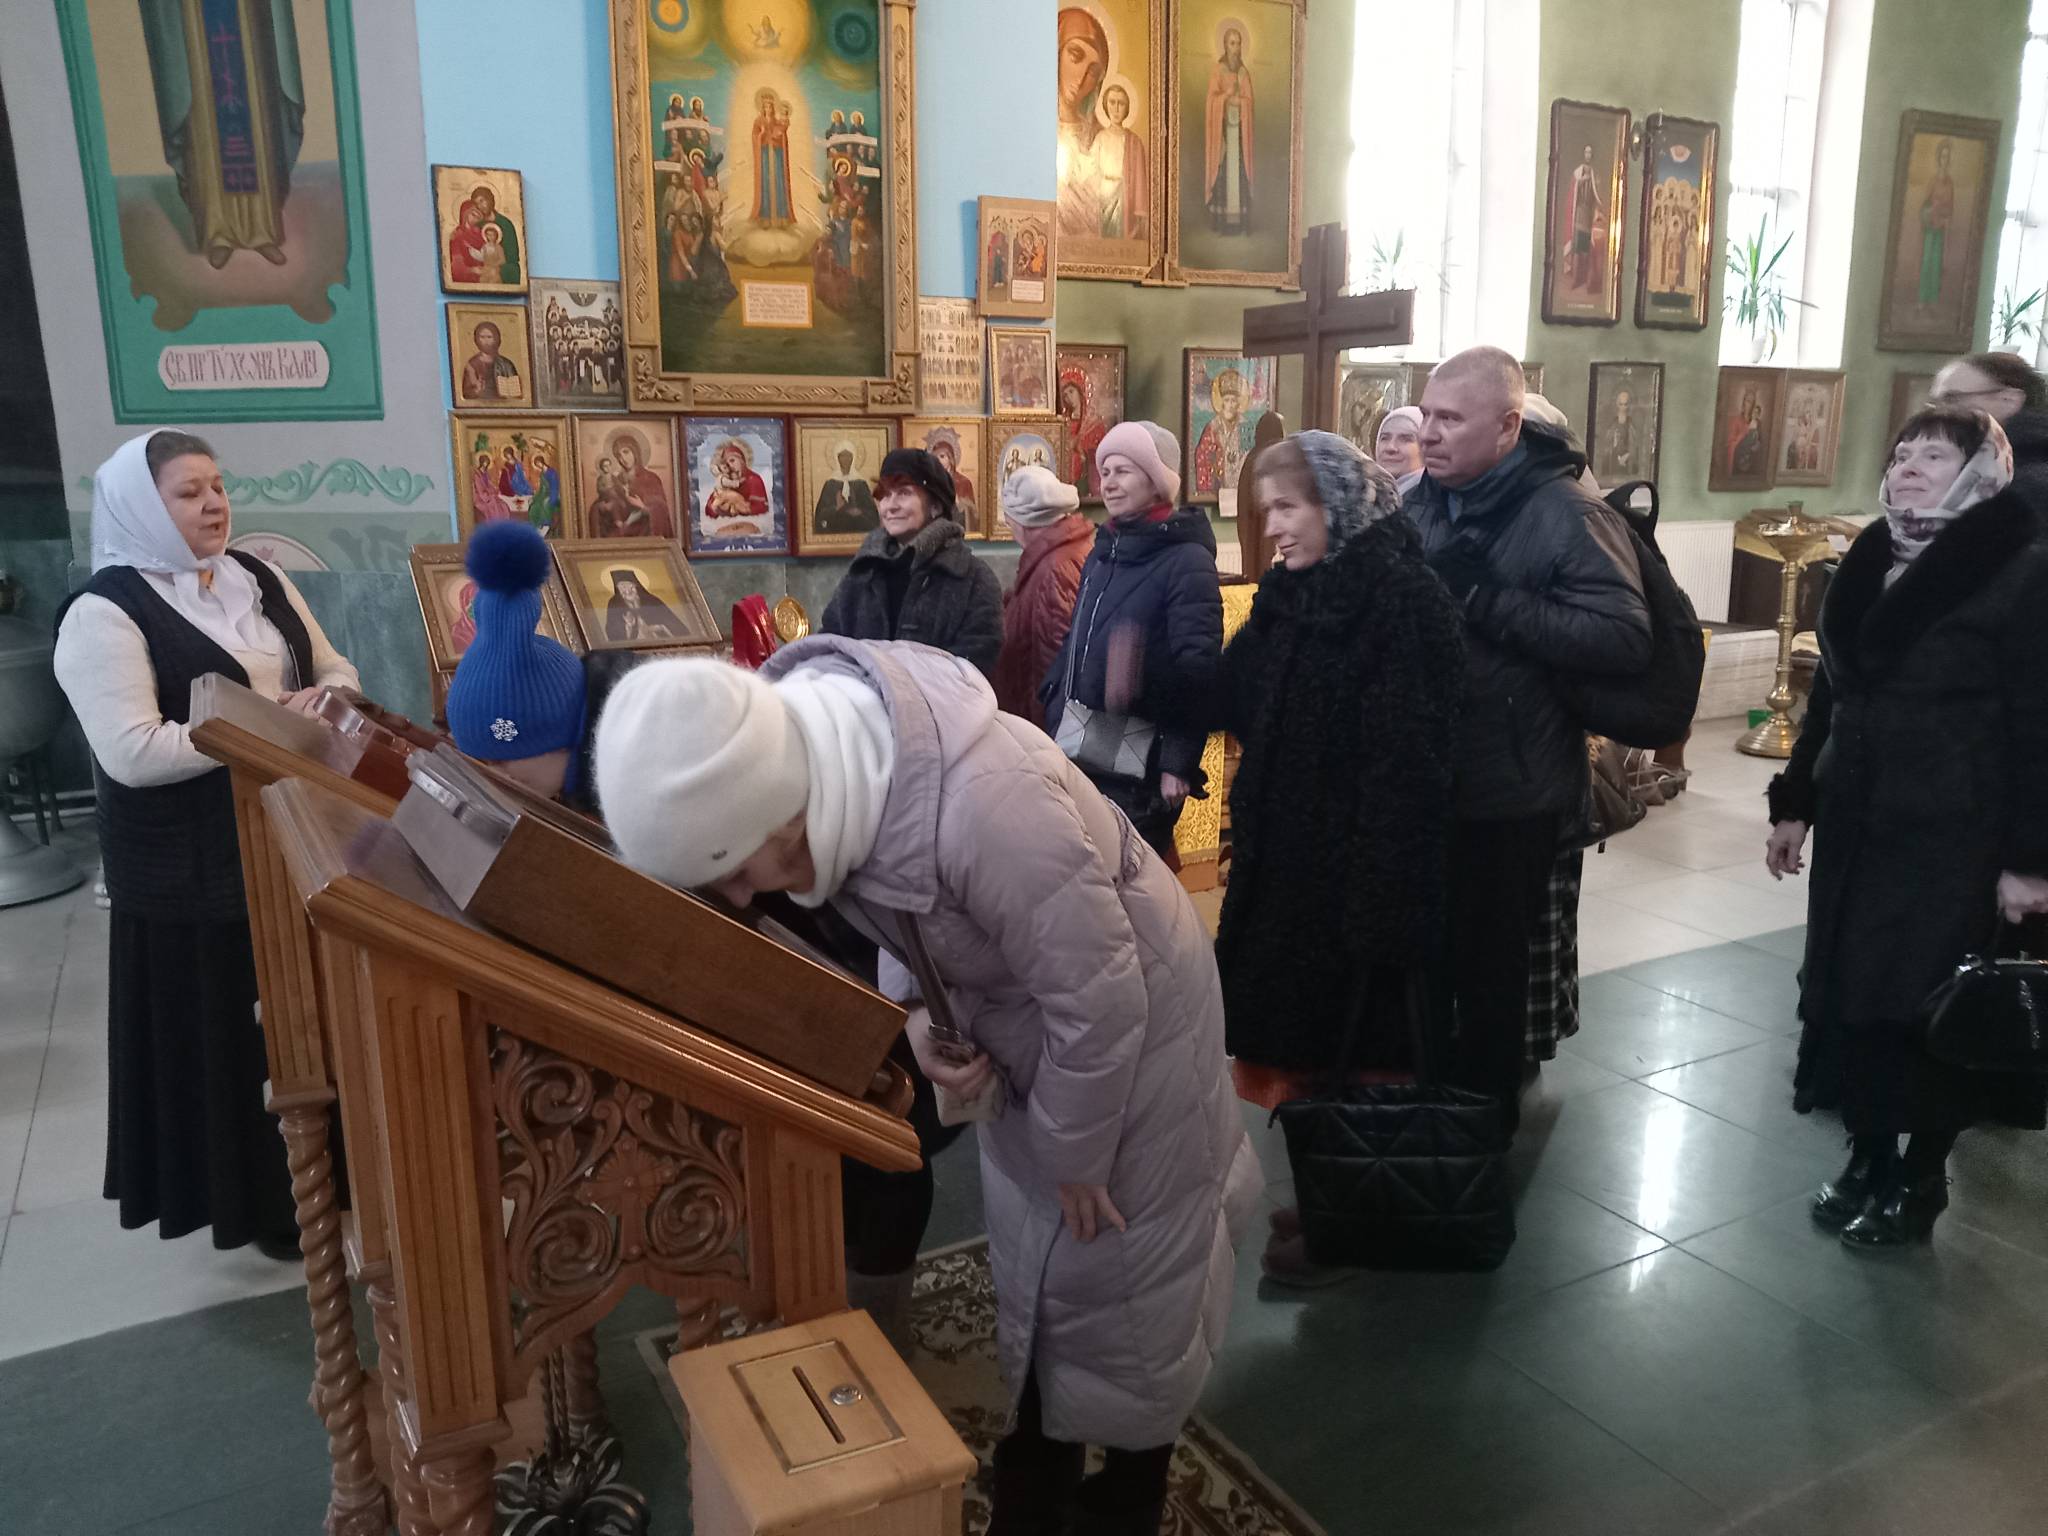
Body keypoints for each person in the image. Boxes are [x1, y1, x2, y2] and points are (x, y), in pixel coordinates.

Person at [593, 638, 1260, 1536]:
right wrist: (917, 1016)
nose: (745, 899)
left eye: (738, 870)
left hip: (1136, 1042)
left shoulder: (987, 808)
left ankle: (1120, 1495)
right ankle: (1051, 1462)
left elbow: (1101, 999)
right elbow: (902, 899)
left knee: (1126, 1274)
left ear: (780, 811)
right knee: (1047, 1272)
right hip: (1042, 1032)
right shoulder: (833, 764)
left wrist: (1075, 1155)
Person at [1139, 434, 1463, 1281]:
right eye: (1267, 510)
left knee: (1357, 1057)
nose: (1273, 527)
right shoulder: (1291, 594)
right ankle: (1330, 1204)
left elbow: (1411, 767)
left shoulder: (1404, 600)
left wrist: (1384, 906)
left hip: (1359, 880)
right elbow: (1232, 692)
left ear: (1340, 506)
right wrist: (1156, 676)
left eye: (1288, 508)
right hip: (1288, 872)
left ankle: (1354, 1226)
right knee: (1305, 1054)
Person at [51, 429, 361, 1258]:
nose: (214, 504)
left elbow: (334, 669)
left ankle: (335, 1176)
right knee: (228, 1038)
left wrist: (322, 704)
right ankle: (260, 1206)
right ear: (142, 507)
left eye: (217, 486)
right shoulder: (104, 612)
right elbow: (132, 751)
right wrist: (266, 728)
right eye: (188, 493)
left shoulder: (256, 577)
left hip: (292, 838)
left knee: (304, 1021)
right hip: (192, 872)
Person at [1766, 406, 2048, 1247]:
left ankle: (1919, 1177)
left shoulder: (2020, 571)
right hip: (1858, 820)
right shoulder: (1867, 555)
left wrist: (2030, 860)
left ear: (1981, 475)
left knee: (1922, 1005)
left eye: (1936, 456)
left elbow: (2039, 725)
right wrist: (1795, 803)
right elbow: (1830, 693)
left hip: (1955, 831)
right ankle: (1867, 1152)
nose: (1910, 467)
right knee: (1851, 994)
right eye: (1902, 454)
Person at [1406, 347, 1650, 1132]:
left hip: (1513, 786)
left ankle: (1483, 1130)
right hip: (1428, 776)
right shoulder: (1419, 502)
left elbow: (1622, 638)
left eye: (1450, 419)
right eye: (1427, 415)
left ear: (1508, 426)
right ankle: (1428, 1116)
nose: (1429, 433)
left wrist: (1484, 599)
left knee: (1490, 971)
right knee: (1426, 958)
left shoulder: (1566, 513)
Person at [1043, 421, 1222, 861]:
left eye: (1122, 471)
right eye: (1104, 472)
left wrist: (1177, 761)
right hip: (1082, 744)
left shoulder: (1187, 560)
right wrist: (1052, 699)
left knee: (1130, 883)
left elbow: (1199, 669)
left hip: (1141, 761)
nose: (1109, 483)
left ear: (1156, 480)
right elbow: (1077, 639)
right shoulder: (1104, 553)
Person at [820, 447, 1003, 677]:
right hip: (862, 699)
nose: (890, 505)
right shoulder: (862, 572)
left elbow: (977, 660)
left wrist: (903, 686)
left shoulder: (972, 577)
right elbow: (830, 642)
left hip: (938, 699)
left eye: (904, 493)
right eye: (885, 495)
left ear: (935, 505)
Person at [993, 464, 1090, 720]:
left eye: (1009, 522)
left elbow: (1051, 667)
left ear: (1021, 522)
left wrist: (1041, 732)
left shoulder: (1054, 569)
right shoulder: (1065, 550)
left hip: (1041, 725)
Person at [1931, 351, 2048, 507]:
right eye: (1934, 403)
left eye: (1952, 399)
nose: (1936, 412)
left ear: (2009, 401)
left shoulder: (2030, 486)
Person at [1204, 27, 1255, 234]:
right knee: (1223, 169)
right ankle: (1222, 223)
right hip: (1224, 132)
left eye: (1238, 43)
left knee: (1239, 169)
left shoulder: (1243, 73)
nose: (1236, 48)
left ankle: (1240, 223)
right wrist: (1225, 97)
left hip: (1239, 131)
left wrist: (1240, 101)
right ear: (1225, 45)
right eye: (1232, 43)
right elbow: (1212, 99)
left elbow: (1249, 101)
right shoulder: (1218, 70)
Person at [812, 444, 881, 536]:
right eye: (843, 456)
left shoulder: (861, 483)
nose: (846, 459)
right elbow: (820, 514)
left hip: (857, 530)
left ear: (853, 458)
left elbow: (872, 513)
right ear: (837, 458)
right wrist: (836, 508)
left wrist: (859, 512)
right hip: (835, 531)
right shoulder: (830, 484)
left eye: (849, 456)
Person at [604, 569, 687, 644]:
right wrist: (629, 626)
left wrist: (658, 627)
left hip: (660, 641)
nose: (627, 591)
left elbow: (672, 622)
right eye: (622, 588)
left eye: (630, 587)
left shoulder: (652, 600)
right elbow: (613, 630)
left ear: (636, 586)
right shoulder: (614, 603)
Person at [459, 320, 520, 402]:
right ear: (476, 339)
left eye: (489, 337)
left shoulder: (506, 363)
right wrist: (476, 391)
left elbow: (516, 391)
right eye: (482, 337)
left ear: (496, 339)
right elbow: (466, 393)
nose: (486, 341)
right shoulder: (472, 364)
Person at [1374, 404, 1425, 495]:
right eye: (1385, 438)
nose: (1390, 447)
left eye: (1405, 439)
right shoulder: (1362, 494)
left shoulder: (1435, 499)